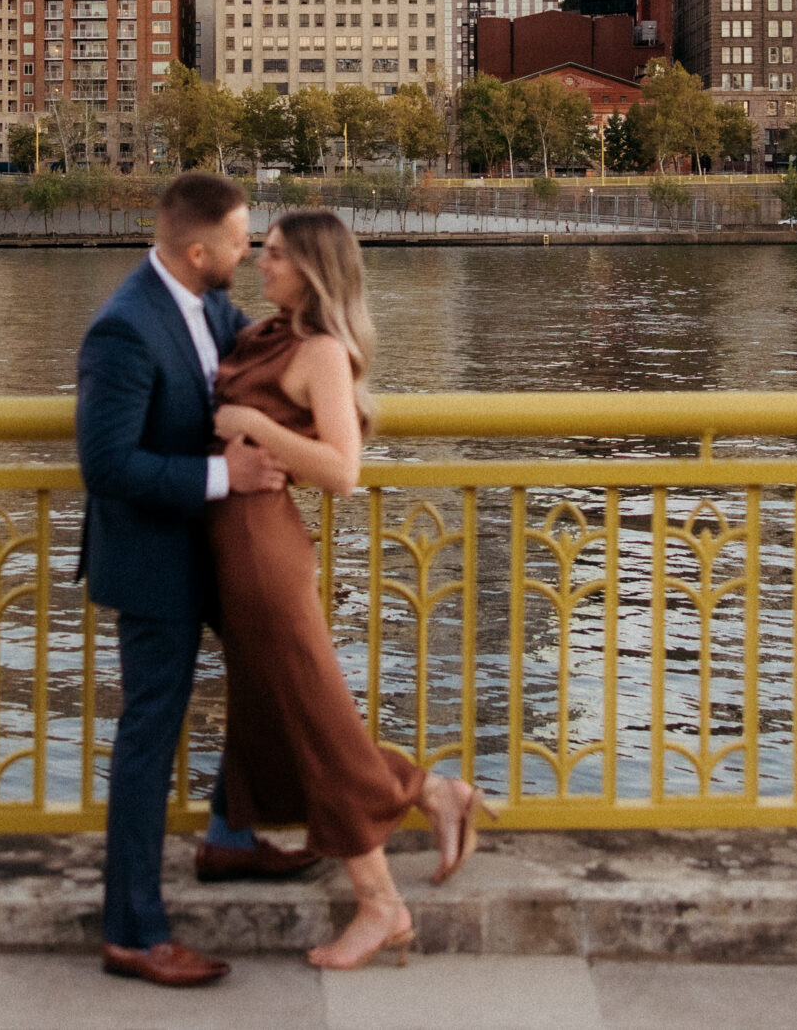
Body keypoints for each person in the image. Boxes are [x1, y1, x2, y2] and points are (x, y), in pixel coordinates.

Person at [210, 208, 496, 971]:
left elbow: (341, 469)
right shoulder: (267, 333)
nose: (259, 263)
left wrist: (252, 425)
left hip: (267, 555)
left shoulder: (323, 352)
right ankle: (435, 793)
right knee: (284, 723)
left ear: (313, 270)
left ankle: (381, 904)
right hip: (234, 555)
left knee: (318, 727)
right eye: (261, 251)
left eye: (274, 255)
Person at [74, 171, 320, 989]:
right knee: (150, 736)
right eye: (241, 240)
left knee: (270, 675)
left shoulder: (210, 308)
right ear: (196, 250)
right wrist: (227, 479)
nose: (248, 252)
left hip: (214, 549)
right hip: (150, 560)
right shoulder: (124, 330)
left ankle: (230, 835)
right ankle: (132, 930)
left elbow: (265, 355)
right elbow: (107, 466)